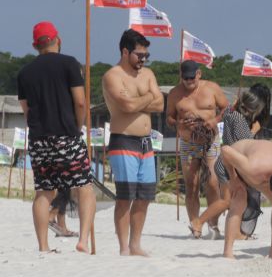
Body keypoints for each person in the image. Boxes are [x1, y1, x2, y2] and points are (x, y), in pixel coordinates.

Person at [17, 21, 96, 253]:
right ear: (57, 39)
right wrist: (77, 126)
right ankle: (82, 238)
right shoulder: (69, 64)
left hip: (40, 138)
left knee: (43, 191)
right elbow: (80, 101)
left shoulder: (25, 73)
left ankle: (43, 245)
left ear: (35, 45)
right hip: (67, 134)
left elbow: (26, 109)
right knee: (84, 186)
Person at [102, 29, 163, 256]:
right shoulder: (113, 76)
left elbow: (160, 105)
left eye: (146, 55)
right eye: (139, 55)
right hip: (123, 139)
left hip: (146, 142)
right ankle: (123, 247)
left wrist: (138, 100)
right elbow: (126, 107)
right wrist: (149, 97)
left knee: (144, 196)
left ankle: (136, 244)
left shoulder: (148, 75)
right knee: (125, 195)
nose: (143, 60)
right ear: (125, 51)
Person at [190, 84, 271, 239]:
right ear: (253, 109)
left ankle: (236, 233)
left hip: (224, 161)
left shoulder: (230, 112)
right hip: (228, 165)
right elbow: (246, 142)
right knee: (226, 201)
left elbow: (230, 108)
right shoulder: (240, 120)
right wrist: (254, 130)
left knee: (234, 200)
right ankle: (198, 222)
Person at [166, 60, 229, 238]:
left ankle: (213, 225)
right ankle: (195, 226)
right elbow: (169, 118)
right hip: (188, 143)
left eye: (192, 78)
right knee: (191, 184)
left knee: (212, 182)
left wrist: (214, 120)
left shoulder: (212, 88)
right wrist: (178, 122)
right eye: (185, 78)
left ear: (199, 74)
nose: (189, 82)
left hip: (210, 140)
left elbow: (227, 108)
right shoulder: (174, 94)